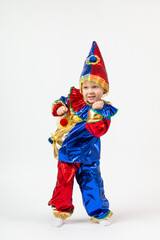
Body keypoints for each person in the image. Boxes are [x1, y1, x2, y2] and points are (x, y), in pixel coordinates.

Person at [48, 41, 118, 227]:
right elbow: (57, 103)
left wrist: (96, 111)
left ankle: (99, 213)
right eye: (86, 87)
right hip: (68, 153)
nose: (90, 91)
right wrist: (60, 108)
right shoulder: (73, 100)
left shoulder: (105, 110)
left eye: (95, 87)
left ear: (104, 90)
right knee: (63, 184)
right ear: (81, 88)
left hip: (89, 155)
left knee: (92, 184)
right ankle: (60, 211)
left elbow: (99, 130)